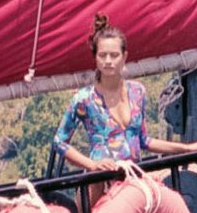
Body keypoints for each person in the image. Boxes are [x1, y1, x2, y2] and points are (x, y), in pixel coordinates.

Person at [55, 16, 149, 174]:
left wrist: (187, 148)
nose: (108, 61)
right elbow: (59, 142)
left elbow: (144, 140)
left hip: (134, 176)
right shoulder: (84, 99)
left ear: (124, 57)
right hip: (100, 179)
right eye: (102, 55)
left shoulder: (137, 92)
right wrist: (92, 165)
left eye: (114, 55)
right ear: (95, 58)